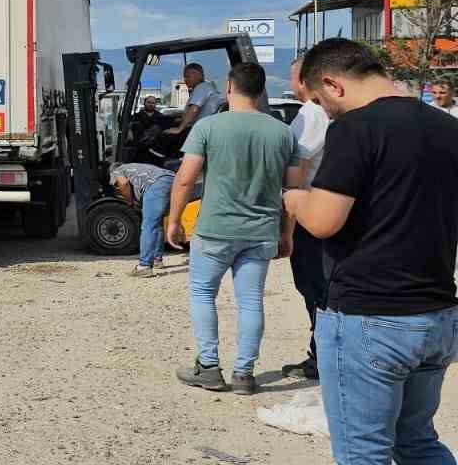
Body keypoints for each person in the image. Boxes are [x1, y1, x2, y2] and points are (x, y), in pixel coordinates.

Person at [282, 39, 458, 465]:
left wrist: (293, 198)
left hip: (368, 320)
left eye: (318, 99)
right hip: (436, 315)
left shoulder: (356, 129)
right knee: (420, 443)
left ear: (334, 84)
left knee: (363, 458)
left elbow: (325, 220)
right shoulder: (447, 128)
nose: (322, 110)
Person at [166, 61, 302, 396]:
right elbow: (294, 193)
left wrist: (173, 220)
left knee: (202, 294)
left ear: (229, 87)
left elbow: (185, 178)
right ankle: (244, 374)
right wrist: (287, 234)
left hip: (215, 230)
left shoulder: (208, 127)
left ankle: (209, 367)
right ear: (262, 91)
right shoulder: (283, 133)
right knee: (251, 301)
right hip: (261, 232)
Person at [281, 57, 331, 381]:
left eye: (294, 78)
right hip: (319, 206)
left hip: (309, 210)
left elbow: (296, 160)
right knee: (315, 286)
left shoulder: (312, 114)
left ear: (304, 80)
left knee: (315, 287)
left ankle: (322, 357)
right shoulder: (320, 113)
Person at [110, 162, 174, 277]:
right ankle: (156, 259)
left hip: (156, 184)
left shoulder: (117, 170)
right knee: (157, 223)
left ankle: (144, 266)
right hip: (172, 179)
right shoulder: (134, 167)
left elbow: (123, 184)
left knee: (148, 225)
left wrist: (129, 202)